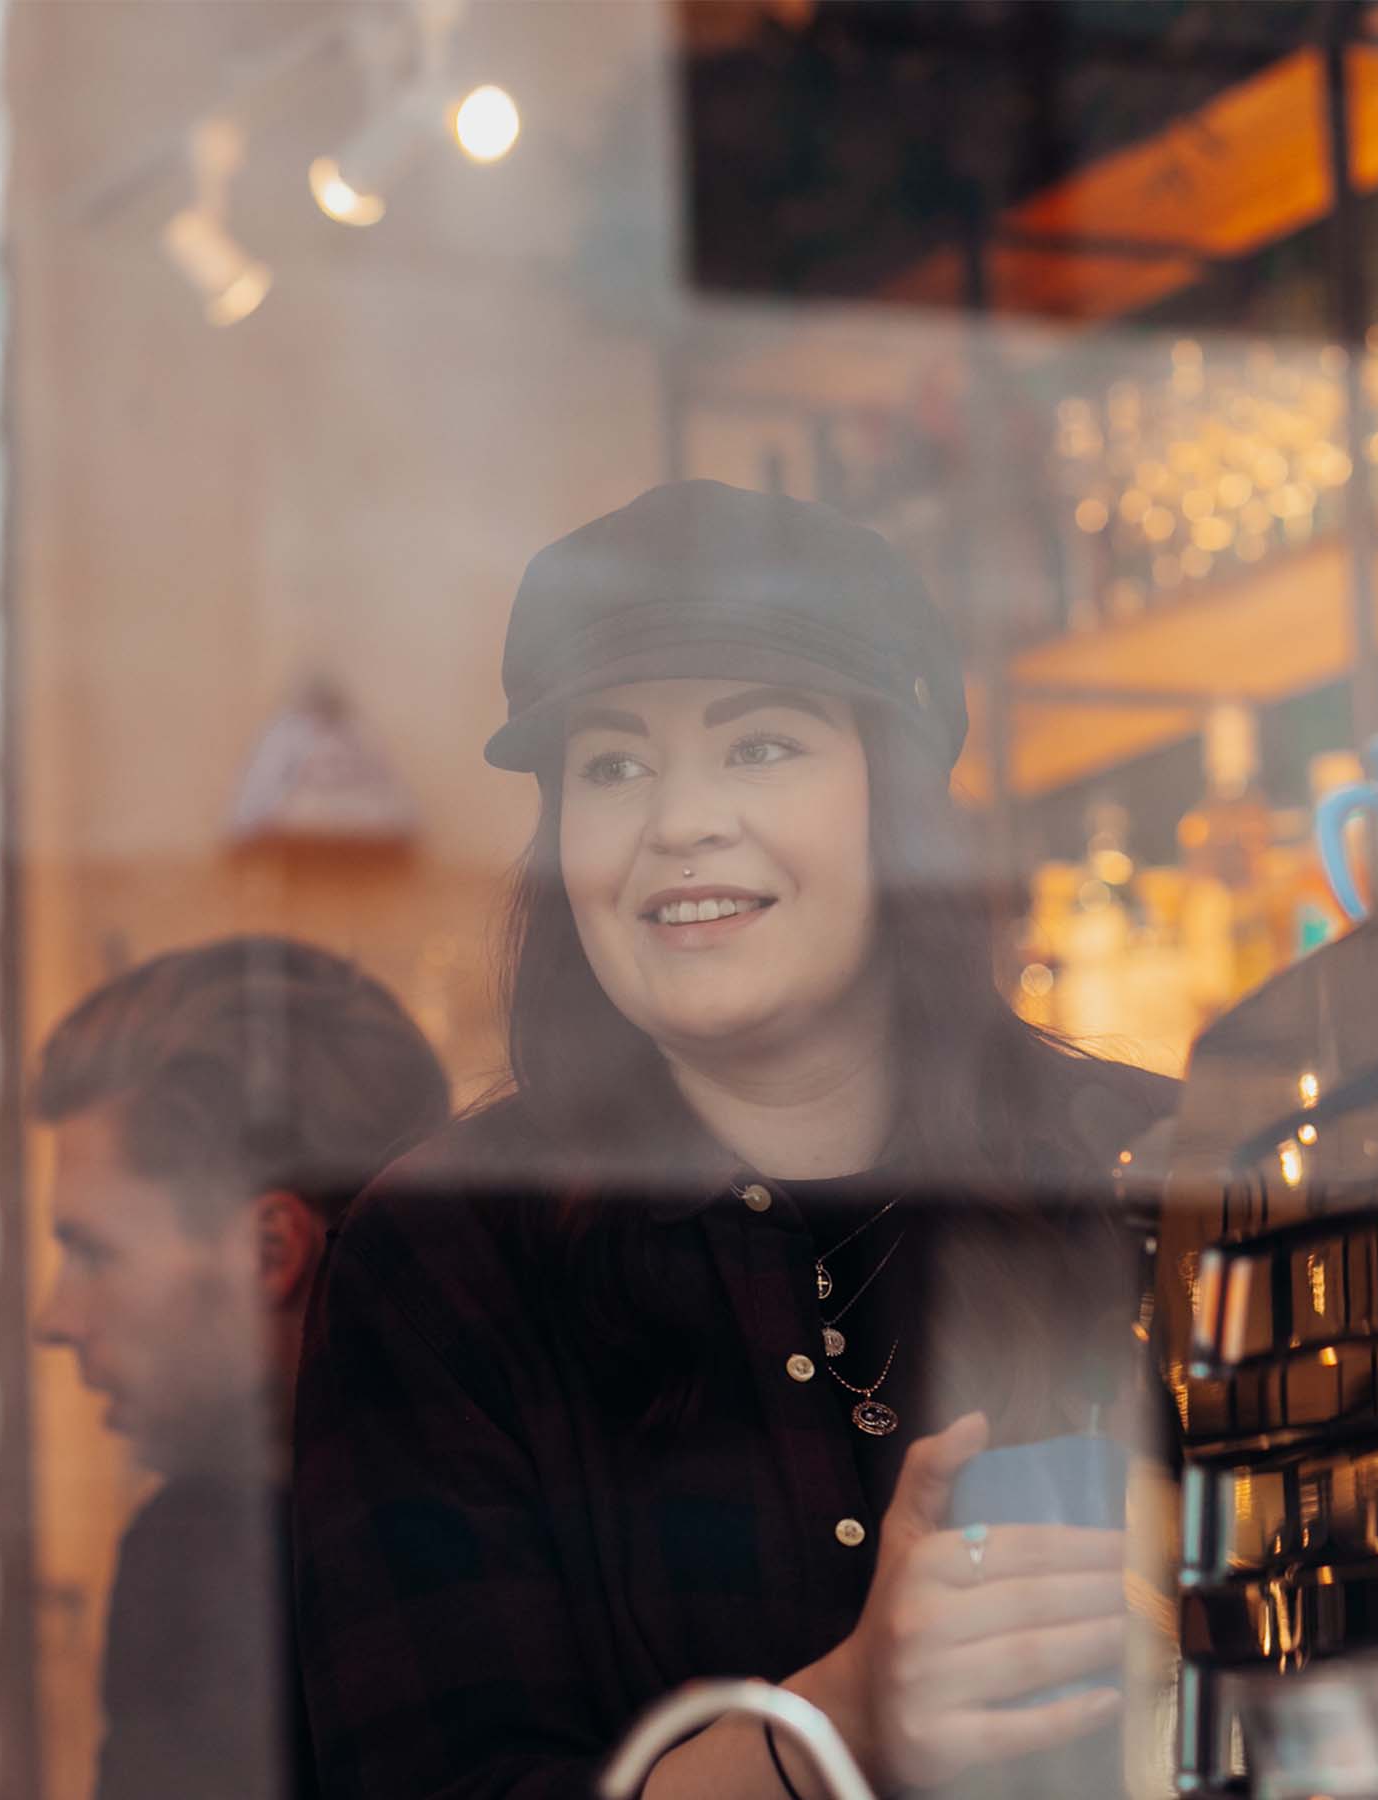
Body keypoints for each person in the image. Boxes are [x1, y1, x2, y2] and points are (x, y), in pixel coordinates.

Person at [293, 481, 1180, 1799]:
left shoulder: (1148, 1166)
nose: (678, 822)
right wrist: (847, 1717)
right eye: (612, 765)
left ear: (900, 804)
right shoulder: (443, 1256)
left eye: (761, 745)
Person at [33, 936, 452, 1800]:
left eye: (92, 1252)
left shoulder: (200, 1554)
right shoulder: (524, 1513)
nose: (55, 1319)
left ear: (267, 1250)